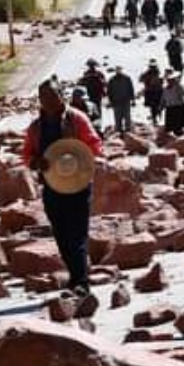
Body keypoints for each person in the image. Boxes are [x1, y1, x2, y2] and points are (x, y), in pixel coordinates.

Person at [22, 80, 103, 295]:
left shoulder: (76, 119)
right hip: (51, 185)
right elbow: (27, 155)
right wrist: (36, 162)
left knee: (77, 233)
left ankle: (81, 282)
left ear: (61, 95)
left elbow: (95, 145)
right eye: (44, 97)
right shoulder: (36, 127)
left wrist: (78, 155)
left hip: (78, 183)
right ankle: (76, 276)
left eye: (52, 95)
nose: (48, 100)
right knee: (61, 234)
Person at [78, 58, 107, 124]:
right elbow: (104, 84)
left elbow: (81, 84)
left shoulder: (86, 74)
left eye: (92, 65)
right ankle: (97, 124)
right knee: (96, 110)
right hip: (94, 95)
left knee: (91, 110)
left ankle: (93, 124)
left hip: (91, 95)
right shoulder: (99, 74)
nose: (91, 67)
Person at [107, 65, 135, 133]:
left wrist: (133, 100)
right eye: (117, 70)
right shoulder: (112, 80)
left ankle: (128, 131)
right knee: (117, 118)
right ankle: (118, 132)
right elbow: (109, 91)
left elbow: (131, 89)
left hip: (126, 101)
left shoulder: (127, 78)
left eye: (119, 69)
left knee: (127, 117)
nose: (118, 71)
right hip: (116, 101)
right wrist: (110, 101)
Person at [140, 59, 164, 126]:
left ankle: (156, 117)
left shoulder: (158, 72)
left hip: (157, 91)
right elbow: (141, 79)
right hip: (151, 92)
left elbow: (162, 81)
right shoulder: (147, 73)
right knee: (153, 106)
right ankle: (154, 119)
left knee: (158, 106)